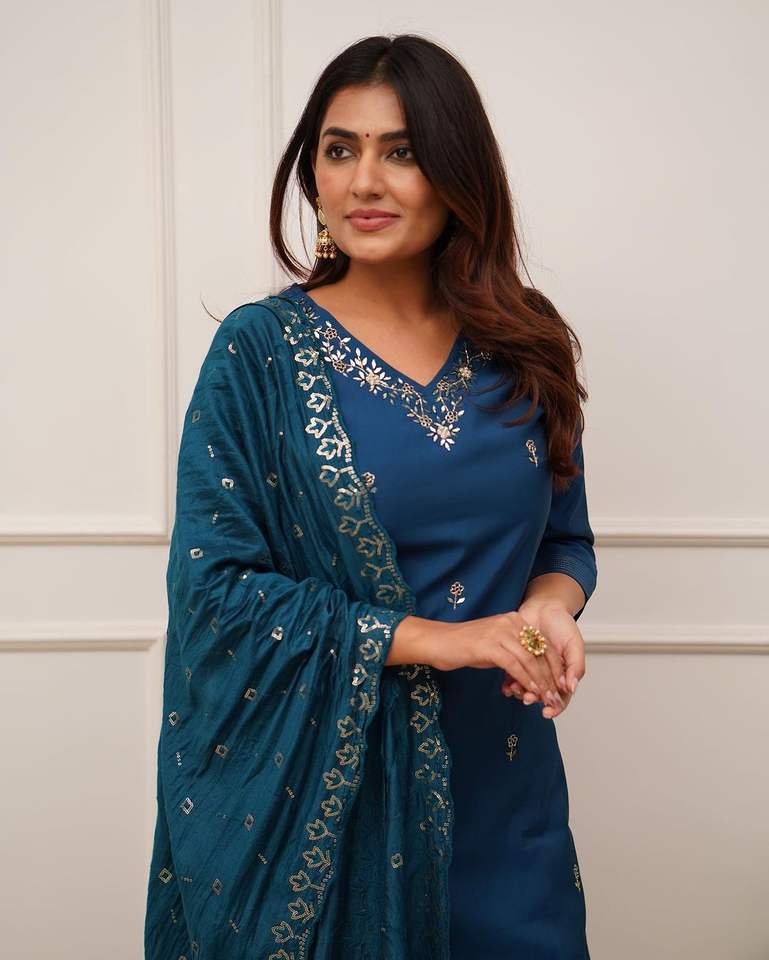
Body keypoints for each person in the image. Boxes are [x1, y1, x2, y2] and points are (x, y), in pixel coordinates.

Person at [144, 33, 598, 960]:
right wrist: (442, 639)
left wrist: (550, 609)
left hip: (507, 790)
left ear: (457, 172)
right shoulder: (261, 353)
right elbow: (215, 592)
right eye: (339, 149)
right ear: (311, 173)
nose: (363, 181)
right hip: (331, 802)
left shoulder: (525, 340)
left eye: (402, 151)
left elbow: (564, 540)